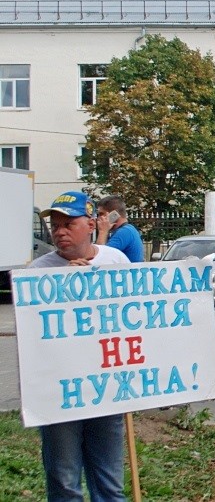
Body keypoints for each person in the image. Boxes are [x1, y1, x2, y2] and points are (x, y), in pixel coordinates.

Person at [28, 191, 131, 501]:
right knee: (64, 481)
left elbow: (134, 316)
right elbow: (32, 336)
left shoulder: (116, 261)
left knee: (109, 483)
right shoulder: (38, 272)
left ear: (89, 224)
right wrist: (65, 289)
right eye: (55, 225)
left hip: (107, 389)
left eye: (67, 224)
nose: (59, 232)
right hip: (59, 393)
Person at [96, 195, 145, 263]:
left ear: (114, 214)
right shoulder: (128, 229)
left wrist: (102, 231)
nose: (98, 218)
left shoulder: (124, 232)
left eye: (101, 214)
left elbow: (99, 259)